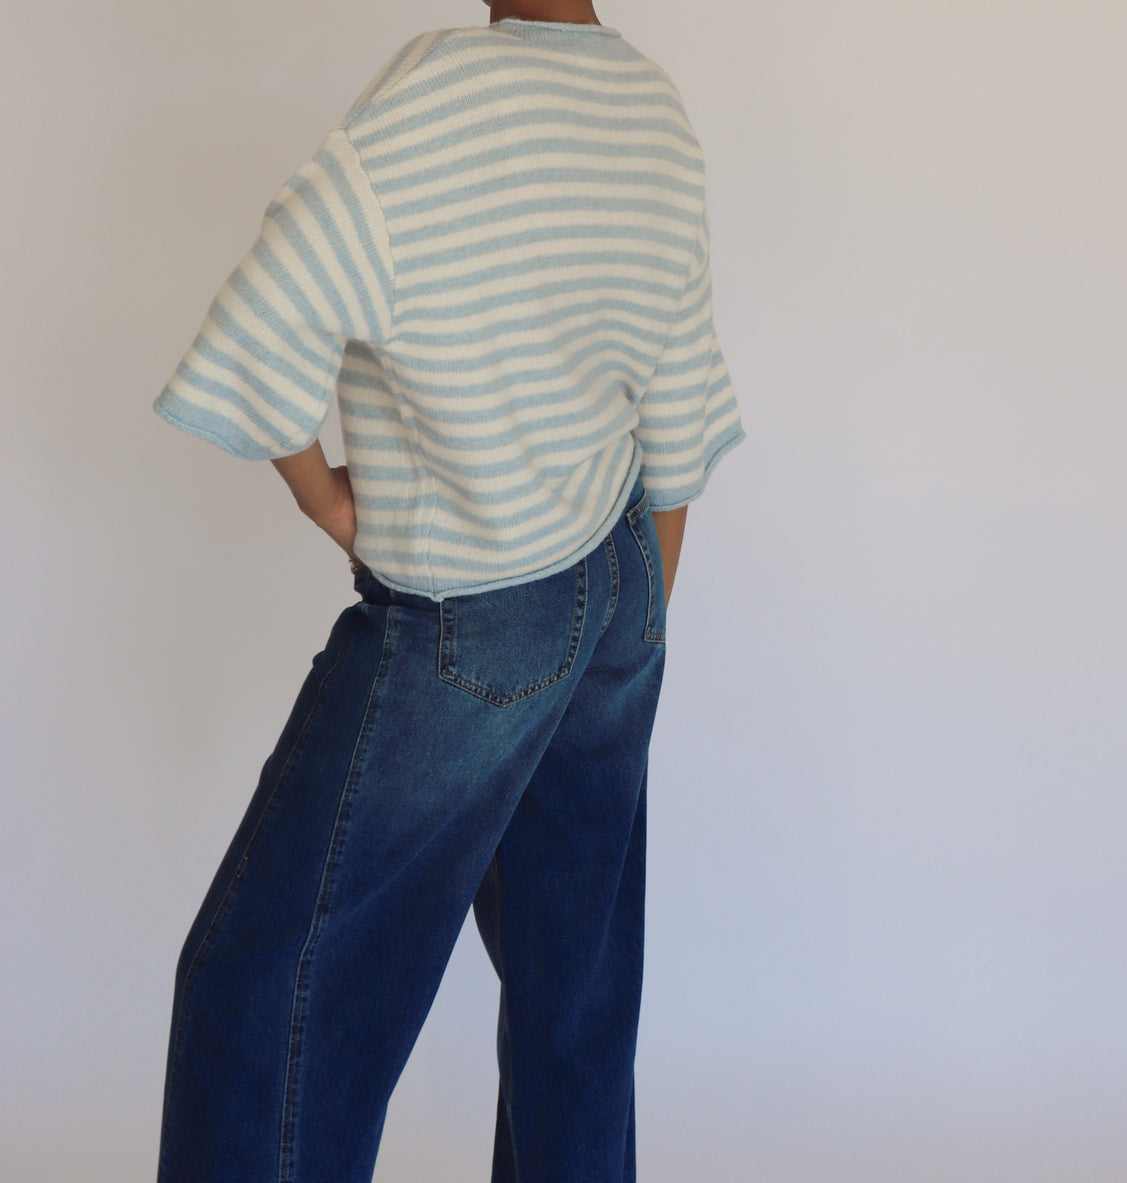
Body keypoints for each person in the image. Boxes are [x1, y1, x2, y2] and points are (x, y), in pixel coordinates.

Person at [151, 1, 745, 1179]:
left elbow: (262, 326)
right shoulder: (652, 109)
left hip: (471, 618)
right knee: (573, 999)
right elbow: (678, 415)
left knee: (265, 1000)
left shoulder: (434, 95)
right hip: (625, 572)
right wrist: (631, 635)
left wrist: (330, 501)